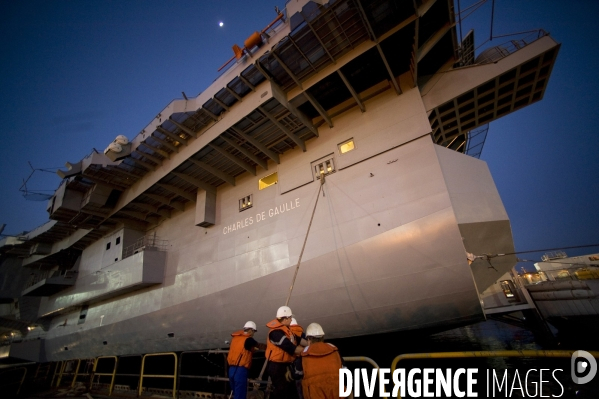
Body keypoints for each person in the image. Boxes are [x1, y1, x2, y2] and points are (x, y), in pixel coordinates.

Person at [294, 323, 348, 399]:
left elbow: (297, 374)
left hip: (314, 393)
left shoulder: (304, 354)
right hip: (336, 392)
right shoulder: (334, 350)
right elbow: (345, 370)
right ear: (322, 337)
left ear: (309, 339)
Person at [265, 306, 305, 399]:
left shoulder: (287, 330)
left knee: (291, 391)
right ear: (286, 318)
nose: (291, 320)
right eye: (290, 317)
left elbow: (298, 339)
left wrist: (311, 344)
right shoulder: (275, 333)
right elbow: (291, 348)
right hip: (277, 367)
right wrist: (309, 351)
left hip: (285, 365)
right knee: (282, 391)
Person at [227, 321, 266, 399]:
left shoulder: (235, 338)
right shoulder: (248, 340)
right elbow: (259, 345)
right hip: (240, 370)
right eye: (254, 331)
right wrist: (270, 348)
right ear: (250, 330)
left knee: (235, 392)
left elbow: (240, 348)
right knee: (240, 394)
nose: (253, 334)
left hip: (231, 369)